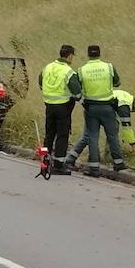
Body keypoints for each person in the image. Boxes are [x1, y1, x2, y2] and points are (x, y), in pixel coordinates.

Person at [70, 45, 126, 177]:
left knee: (93, 137)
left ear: (88, 54)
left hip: (91, 108)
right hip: (108, 107)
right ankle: (118, 163)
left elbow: (76, 88)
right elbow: (117, 83)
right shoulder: (109, 67)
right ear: (100, 54)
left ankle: (94, 168)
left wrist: (83, 100)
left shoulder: (82, 70)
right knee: (112, 136)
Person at [38, 44, 82, 175]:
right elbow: (77, 93)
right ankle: (58, 165)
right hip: (63, 107)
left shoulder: (47, 67)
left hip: (49, 105)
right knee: (62, 136)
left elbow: (40, 82)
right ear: (70, 56)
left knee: (49, 135)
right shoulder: (68, 72)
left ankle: (44, 161)